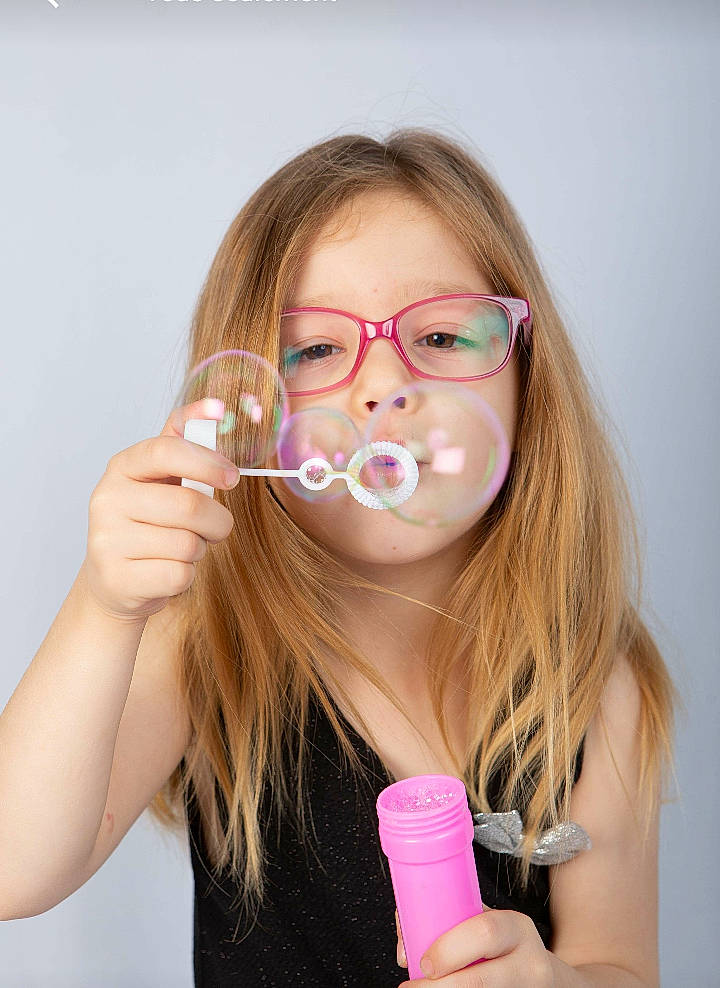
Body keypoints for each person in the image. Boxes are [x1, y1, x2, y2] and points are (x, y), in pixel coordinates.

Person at [0, 129, 679, 987]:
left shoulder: (591, 678)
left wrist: (550, 983)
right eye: (317, 349)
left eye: (441, 337)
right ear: (247, 416)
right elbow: (13, 870)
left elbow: (620, 966)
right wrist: (105, 609)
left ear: (526, 380)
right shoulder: (210, 639)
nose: (384, 385)